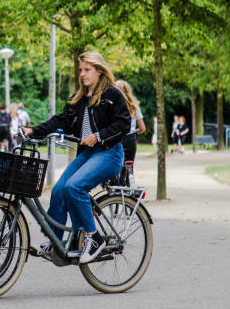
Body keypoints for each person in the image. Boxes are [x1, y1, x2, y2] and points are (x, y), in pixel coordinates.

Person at [23, 51, 130, 264]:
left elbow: (123, 124)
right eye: (80, 70)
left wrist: (98, 136)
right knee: (60, 188)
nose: (82, 74)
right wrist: (33, 131)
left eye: (87, 70)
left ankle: (93, 237)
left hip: (109, 153)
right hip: (89, 154)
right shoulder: (79, 98)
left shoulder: (112, 95)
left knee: (74, 186)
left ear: (99, 71)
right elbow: (59, 120)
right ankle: (56, 240)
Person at [115, 80, 146, 164]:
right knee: (129, 166)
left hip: (117, 138)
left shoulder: (114, 106)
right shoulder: (134, 106)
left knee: (117, 166)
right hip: (130, 139)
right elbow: (142, 128)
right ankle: (130, 176)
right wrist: (135, 131)